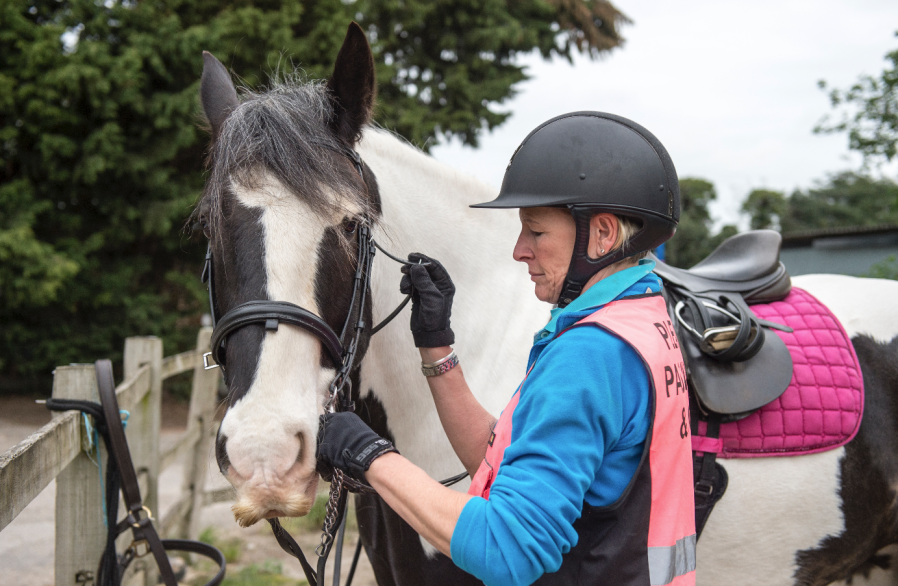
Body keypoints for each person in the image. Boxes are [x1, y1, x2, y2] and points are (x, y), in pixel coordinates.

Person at [317, 112, 696, 586]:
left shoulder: (591, 353)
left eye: (536, 232)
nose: (519, 250)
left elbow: (506, 547)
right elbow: (500, 464)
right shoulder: (640, 321)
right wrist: (437, 348)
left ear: (601, 234)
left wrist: (369, 455)